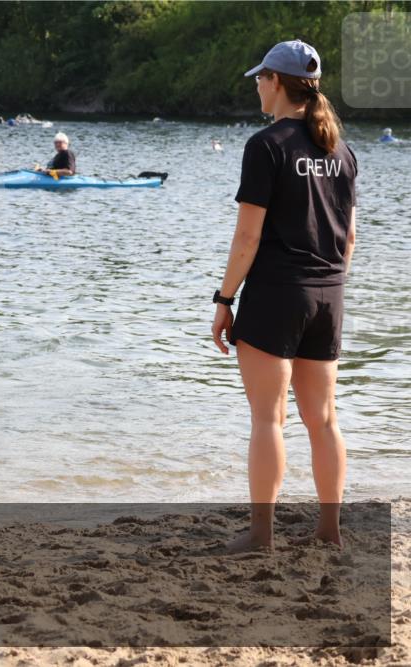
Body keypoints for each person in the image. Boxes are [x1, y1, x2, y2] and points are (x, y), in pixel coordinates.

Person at [211, 40, 357, 552]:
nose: (256, 85)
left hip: (276, 295)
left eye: (260, 78)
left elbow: (247, 238)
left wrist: (224, 298)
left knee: (267, 418)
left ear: (277, 82)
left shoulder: (266, 145)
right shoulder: (342, 150)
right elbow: (350, 239)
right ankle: (329, 531)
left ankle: (260, 535)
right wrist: (327, 287)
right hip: (328, 295)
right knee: (324, 420)